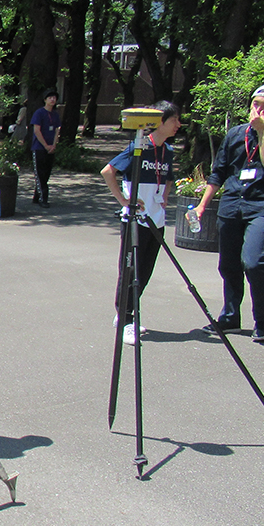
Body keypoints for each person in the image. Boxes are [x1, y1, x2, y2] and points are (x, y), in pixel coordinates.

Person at [193, 83, 264, 342]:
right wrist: (202, 204)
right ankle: (230, 317)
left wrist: (262, 132)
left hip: (262, 205)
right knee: (228, 264)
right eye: (255, 104)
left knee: (253, 262)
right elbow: (218, 172)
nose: (258, 109)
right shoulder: (235, 134)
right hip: (231, 204)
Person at [101, 101, 180, 345]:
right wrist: (124, 200)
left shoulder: (168, 150)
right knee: (130, 271)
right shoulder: (138, 147)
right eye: (175, 120)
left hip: (157, 220)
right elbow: (108, 171)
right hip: (136, 221)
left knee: (144, 272)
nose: (179, 124)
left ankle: (126, 314)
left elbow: (168, 178)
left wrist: (165, 195)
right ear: (161, 122)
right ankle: (125, 320)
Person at [29, 89, 62, 206]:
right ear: (45, 100)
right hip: (39, 148)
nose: (52, 99)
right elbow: (37, 131)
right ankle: (44, 198)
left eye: (54, 97)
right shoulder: (39, 113)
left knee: (46, 173)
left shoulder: (55, 114)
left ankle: (36, 196)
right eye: (50, 97)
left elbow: (57, 130)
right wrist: (45, 146)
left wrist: (54, 145)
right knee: (40, 173)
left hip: (50, 148)